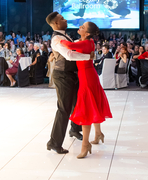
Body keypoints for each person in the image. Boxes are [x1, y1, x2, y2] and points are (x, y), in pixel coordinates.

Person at [58, 21, 112, 159]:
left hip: (87, 77)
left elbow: (69, 45)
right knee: (92, 105)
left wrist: (59, 39)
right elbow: (75, 44)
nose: (79, 27)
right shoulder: (88, 41)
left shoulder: (86, 43)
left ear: (87, 33)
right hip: (88, 75)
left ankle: (85, 144)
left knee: (87, 110)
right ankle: (98, 133)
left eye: (82, 27)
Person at [45, 11, 94, 154]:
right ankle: (54, 142)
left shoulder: (64, 35)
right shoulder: (56, 39)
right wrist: (88, 57)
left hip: (71, 74)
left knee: (75, 104)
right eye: (62, 19)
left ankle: (75, 129)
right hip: (63, 75)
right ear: (56, 23)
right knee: (63, 108)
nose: (65, 20)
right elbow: (69, 55)